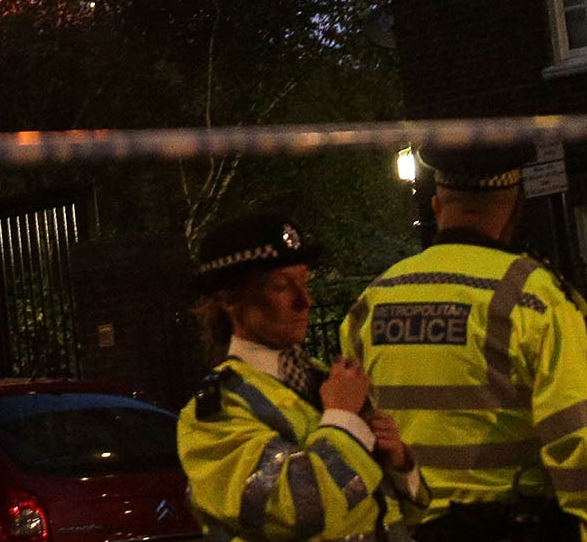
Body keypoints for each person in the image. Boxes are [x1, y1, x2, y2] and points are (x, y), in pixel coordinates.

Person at [343, 144, 587, 542]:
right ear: (517, 208)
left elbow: (353, 427)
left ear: (436, 206)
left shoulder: (375, 300)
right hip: (506, 527)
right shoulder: (533, 298)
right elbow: (579, 439)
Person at [178, 212, 427, 542]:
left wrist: (400, 465)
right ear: (229, 300)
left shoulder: (324, 379)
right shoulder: (213, 415)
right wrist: (342, 420)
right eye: (282, 286)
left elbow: (400, 514)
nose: (305, 301)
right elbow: (297, 510)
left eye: (305, 282)